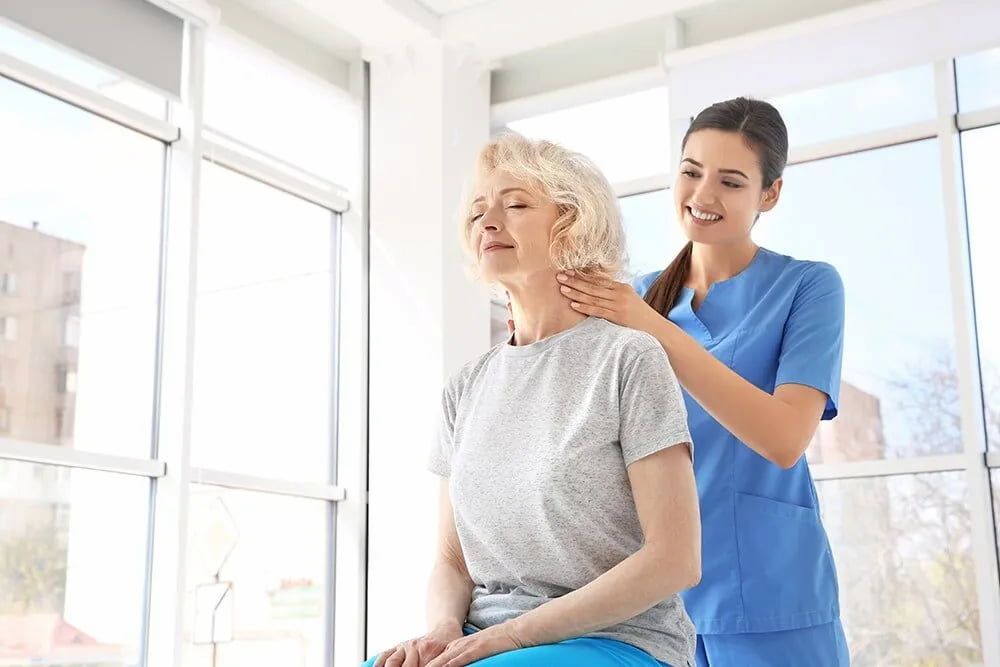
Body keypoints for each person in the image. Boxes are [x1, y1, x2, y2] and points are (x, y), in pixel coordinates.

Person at [364, 133, 701, 667]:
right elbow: (452, 559)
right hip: (484, 639)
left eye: (515, 204)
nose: (488, 221)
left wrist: (514, 637)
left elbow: (675, 559)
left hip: (618, 641)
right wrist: (442, 630)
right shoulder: (466, 387)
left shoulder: (629, 360)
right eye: (478, 211)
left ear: (572, 225)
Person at [553, 98, 850, 666]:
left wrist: (652, 329)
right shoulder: (633, 297)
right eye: (691, 171)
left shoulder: (807, 288)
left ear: (770, 194)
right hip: (651, 606)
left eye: (731, 182)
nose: (703, 195)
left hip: (770, 594)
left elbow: (784, 438)